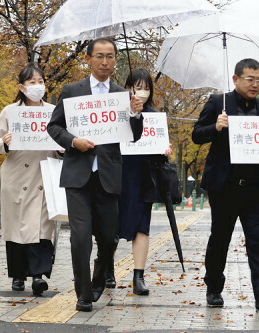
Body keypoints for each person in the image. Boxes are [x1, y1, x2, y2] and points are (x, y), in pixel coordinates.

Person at [47, 38, 144, 312]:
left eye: (110, 57)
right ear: (88, 59)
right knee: (80, 236)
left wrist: (136, 115)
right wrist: (73, 141)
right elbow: (54, 127)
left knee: (108, 238)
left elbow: (134, 137)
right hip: (78, 175)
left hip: (108, 175)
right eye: (99, 56)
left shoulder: (122, 95)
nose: (104, 62)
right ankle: (83, 294)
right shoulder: (72, 91)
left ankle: (99, 280)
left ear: (116, 60)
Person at [192, 58, 259, 310]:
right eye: (250, 79)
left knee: (257, 240)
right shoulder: (218, 103)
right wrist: (215, 127)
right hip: (224, 186)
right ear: (235, 79)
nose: (255, 85)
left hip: (255, 188)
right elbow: (196, 134)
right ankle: (213, 287)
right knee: (220, 238)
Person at [0, 65, 57, 296]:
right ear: (21, 87)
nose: (37, 86)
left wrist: (63, 149)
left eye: (40, 81)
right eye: (32, 82)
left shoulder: (53, 111)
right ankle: (18, 275)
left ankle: (38, 276)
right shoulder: (10, 111)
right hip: (17, 175)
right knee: (17, 228)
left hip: (43, 174)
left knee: (41, 227)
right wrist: (5, 143)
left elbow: (63, 140)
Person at [105, 68, 173, 295]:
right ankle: (107, 269)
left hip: (145, 178)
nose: (142, 92)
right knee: (111, 225)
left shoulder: (154, 116)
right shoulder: (115, 113)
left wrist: (165, 151)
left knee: (143, 227)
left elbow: (159, 149)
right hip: (118, 175)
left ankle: (138, 276)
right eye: (137, 87)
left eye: (146, 88)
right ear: (126, 88)